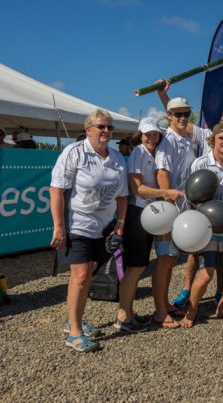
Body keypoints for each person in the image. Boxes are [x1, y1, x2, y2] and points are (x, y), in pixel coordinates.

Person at [50, 109, 128, 352]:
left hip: (104, 227)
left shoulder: (116, 157)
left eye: (109, 127)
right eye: (101, 127)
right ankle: (74, 333)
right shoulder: (74, 153)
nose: (106, 131)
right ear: (88, 130)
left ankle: (75, 319)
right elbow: (56, 190)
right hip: (78, 225)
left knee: (87, 275)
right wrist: (59, 226)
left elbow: (123, 196)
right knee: (81, 275)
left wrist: (120, 222)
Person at [114, 118, 184, 332]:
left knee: (154, 262)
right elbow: (138, 189)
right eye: (147, 134)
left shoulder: (157, 153)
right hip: (140, 211)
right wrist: (165, 192)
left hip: (155, 212)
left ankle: (145, 310)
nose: (151, 138)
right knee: (137, 266)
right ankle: (124, 315)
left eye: (155, 134)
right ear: (140, 135)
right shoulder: (138, 152)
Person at [180, 123, 223, 326]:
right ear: (213, 140)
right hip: (206, 226)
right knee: (206, 274)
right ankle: (191, 312)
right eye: (221, 138)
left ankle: (222, 307)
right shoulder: (200, 163)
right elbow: (191, 195)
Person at [152, 96, 206, 328]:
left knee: (171, 258)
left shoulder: (186, 139)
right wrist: (170, 206)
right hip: (169, 208)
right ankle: (160, 311)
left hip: (183, 206)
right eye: (178, 114)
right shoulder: (168, 139)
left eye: (186, 114)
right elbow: (162, 172)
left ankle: (164, 304)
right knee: (165, 259)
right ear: (169, 116)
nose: (182, 118)